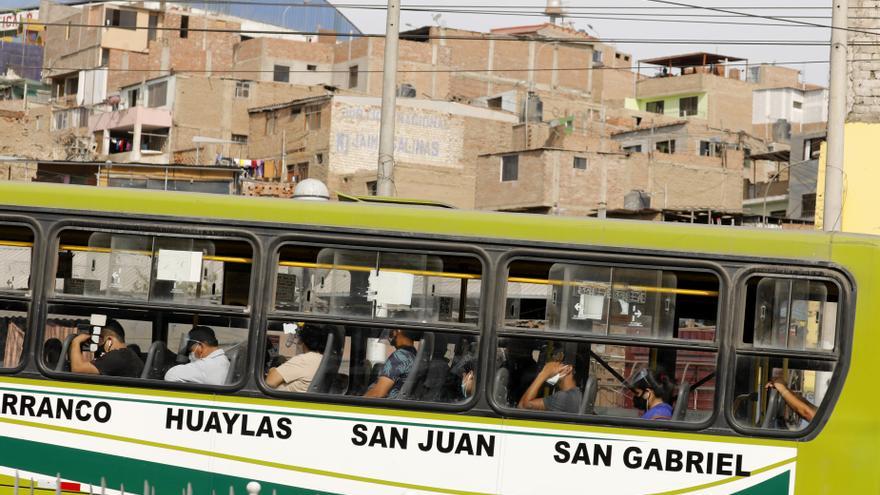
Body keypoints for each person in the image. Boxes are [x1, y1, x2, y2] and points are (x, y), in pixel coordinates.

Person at [265, 323, 328, 392]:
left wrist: (272, 368)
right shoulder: (321, 358)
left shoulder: (304, 360)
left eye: (298, 339)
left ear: (303, 342)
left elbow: (270, 382)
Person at [69, 320, 144, 378]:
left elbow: (78, 370)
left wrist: (76, 342)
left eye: (99, 342)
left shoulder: (119, 356)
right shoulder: (127, 355)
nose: (98, 347)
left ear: (109, 341)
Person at [165, 326, 230, 385]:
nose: (190, 355)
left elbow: (170, 375)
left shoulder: (207, 365)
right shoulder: (222, 360)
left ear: (201, 346)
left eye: (191, 350)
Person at [364, 329, 417, 399]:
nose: (389, 333)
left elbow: (378, 393)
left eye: (392, 329)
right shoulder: (413, 354)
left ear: (398, 331)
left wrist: (357, 402)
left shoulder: (399, 357)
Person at [518, 360, 582, 413]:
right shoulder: (576, 393)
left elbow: (523, 406)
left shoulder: (563, 397)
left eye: (555, 364)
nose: (550, 369)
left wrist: (544, 373)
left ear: (568, 369)